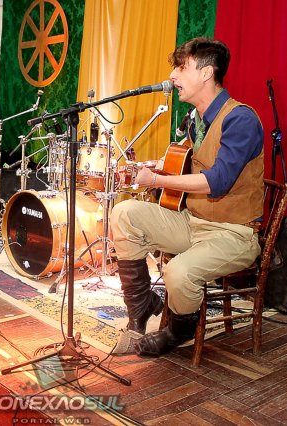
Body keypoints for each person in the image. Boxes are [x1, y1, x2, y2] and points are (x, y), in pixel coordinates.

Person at [110, 37, 264, 357]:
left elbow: (217, 182)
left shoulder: (241, 119)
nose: (173, 76)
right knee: (124, 213)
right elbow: (193, 165)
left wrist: (156, 179)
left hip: (233, 234)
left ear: (206, 73)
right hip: (193, 222)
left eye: (181, 68)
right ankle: (142, 306)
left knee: (178, 272)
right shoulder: (197, 121)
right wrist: (158, 168)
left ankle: (178, 331)